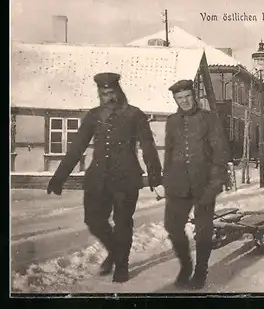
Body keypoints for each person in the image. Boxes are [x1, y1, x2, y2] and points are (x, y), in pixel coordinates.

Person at [46, 72, 162, 283]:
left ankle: (122, 265)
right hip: (97, 178)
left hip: (126, 178)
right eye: (103, 93)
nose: (108, 97)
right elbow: (77, 147)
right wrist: (59, 177)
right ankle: (115, 252)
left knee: (123, 223)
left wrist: (155, 175)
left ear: (119, 91)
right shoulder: (93, 116)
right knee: (93, 220)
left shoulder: (134, 115)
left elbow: (148, 146)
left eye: (111, 92)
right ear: (99, 93)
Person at [162, 79, 230, 290]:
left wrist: (216, 183)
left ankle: (200, 271)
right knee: (172, 226)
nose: (184, 101)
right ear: (175, 99)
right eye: (179, 98)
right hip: (178, 184)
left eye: (188, 97)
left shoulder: (209, 119)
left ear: (195, 96)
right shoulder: (171, 121)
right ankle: (185, 266)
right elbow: (169, 153)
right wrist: (167, 180)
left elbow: (220, 152)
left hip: (204, 184)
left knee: (203, 230)